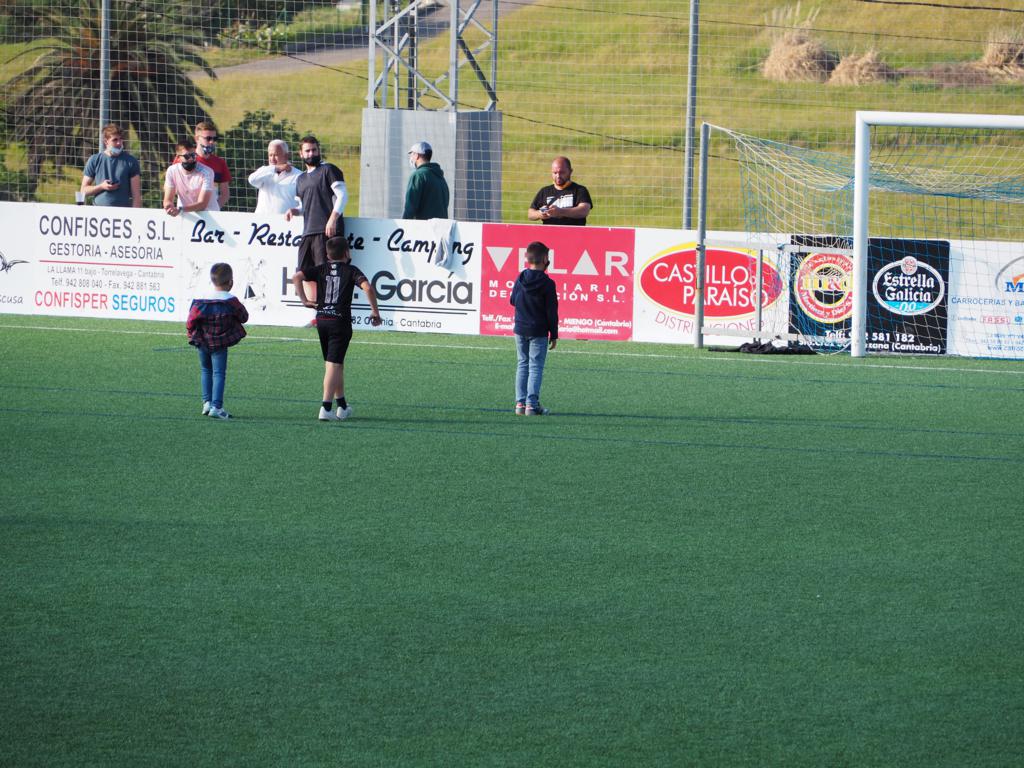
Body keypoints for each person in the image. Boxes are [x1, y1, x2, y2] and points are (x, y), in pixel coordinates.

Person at [291, 236, 382, 422]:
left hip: (322, 319)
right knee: (333, 364)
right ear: (347, 252)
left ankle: (342, 406)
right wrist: (375, 312)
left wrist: (304, 301)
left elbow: (296, 277)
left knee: (335, 362)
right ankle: (325, 408)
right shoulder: (351, 270)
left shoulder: (321, 268)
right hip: (340, 322)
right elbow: (368, 288)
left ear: (327, 254)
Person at [287, 135, 347, 310]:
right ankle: (315, 312)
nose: (311, 153)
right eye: (307, 151)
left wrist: (332, 219)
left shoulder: (329, 170)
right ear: (300, 154)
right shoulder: (300, 179)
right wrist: (295, 211)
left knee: (326, 274)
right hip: (308, 232)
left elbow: (343, 196)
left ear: (319, 150)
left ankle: (327, 312)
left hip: (326, 231)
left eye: (314, 150)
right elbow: (304, 205)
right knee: (305, 274)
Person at [186, 262, 248, 420]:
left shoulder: (200, 299)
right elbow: (244, 317)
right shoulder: (231, 301)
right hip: (220, 343)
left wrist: (192, 334)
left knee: (205, 370)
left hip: (202, 341)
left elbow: (191, 320)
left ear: (212, 280)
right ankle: (217, 407)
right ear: (231, 282)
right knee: (219, 373)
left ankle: (206, 403)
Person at [510, 241, 559, 416]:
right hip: (538, 330)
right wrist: (554, 334)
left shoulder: (521, 277)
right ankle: (532, 404)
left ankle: (520, 403)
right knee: (535, 367)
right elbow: (551, 311)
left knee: (522, 364)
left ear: (527, 258)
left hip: (520, 328)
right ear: (545, 259)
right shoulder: (548, 283)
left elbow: (512, 300)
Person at [80, 123, 142, 208]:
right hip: (98, 211)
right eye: (115, 140)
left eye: (121, 139)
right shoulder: (94, 160)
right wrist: (101, 186)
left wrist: (135, 214)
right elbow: (83, 190)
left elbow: (136, 196)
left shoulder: (131, 162)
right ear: (106, 141)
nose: (119, 143)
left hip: (122, 212)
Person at [172, 121, 231, 209]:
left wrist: (214, 208)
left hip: (210, 214)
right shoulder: (182, 159)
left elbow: (225, 194)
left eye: (214, 139)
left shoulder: (220, 162)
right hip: (185, 211)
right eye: (208, 138)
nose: (212, 142)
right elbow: (172, 187)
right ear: (196, 138)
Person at [528, 156, 593, 226]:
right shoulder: (544, 191)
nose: (558, 176)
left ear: (570, 171)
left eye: (562, 172)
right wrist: (540, 213)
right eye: (555, 173)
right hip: (549, 232)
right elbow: (530, 214)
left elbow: (584, 211)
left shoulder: (580, 190)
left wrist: (560, 212)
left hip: (573, 232)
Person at [247, 139, 302, 216]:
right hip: (261, 221)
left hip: (287, 221)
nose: (272, 159)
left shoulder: (299, 175)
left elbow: (305, 203)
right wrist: (276, 168)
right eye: (270, 155)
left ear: (286, 156)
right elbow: (251, 180)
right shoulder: (264, 171)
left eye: (276, 155)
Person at [163, 138, 215, 216]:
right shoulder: (171, 171)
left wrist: (181, 209)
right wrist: (169, 207)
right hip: (185, 215)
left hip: (209, 215)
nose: (191, 159)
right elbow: (167, 200)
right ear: (178, 157)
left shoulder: (207, 172)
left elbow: (202, 204)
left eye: (193, 155)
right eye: (187, 156)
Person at [403, 140, 450, 220]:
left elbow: (410, 207)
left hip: (423, 225)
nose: (411, 158)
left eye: (412, 154)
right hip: (441, 226)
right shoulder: (441, 178)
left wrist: (404, 224)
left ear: (417, 156)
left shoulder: (418, 175)